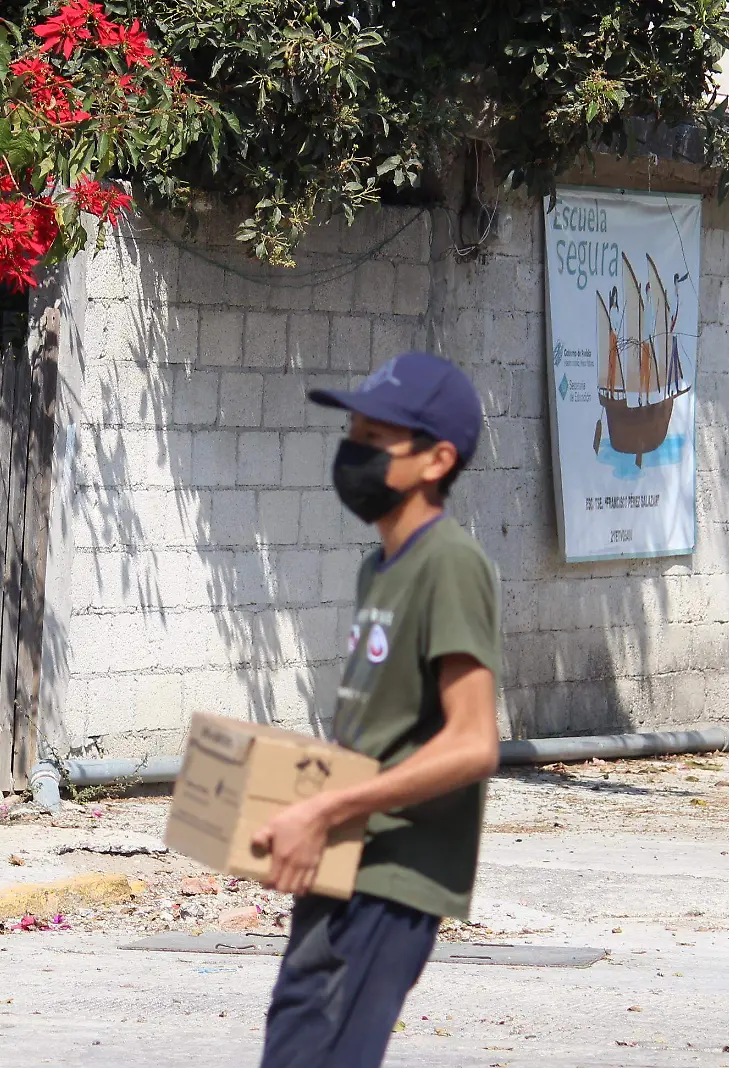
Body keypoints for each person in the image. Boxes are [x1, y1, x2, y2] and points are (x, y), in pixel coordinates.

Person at [251, 351, 503, 1068]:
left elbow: (473, 742)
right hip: (343, 864)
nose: (352, 452)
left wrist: (325, 811)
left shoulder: (450, 563)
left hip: (393, 876)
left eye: (373, 438)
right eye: (352, 433)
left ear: (436, 460)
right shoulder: (380, 568)